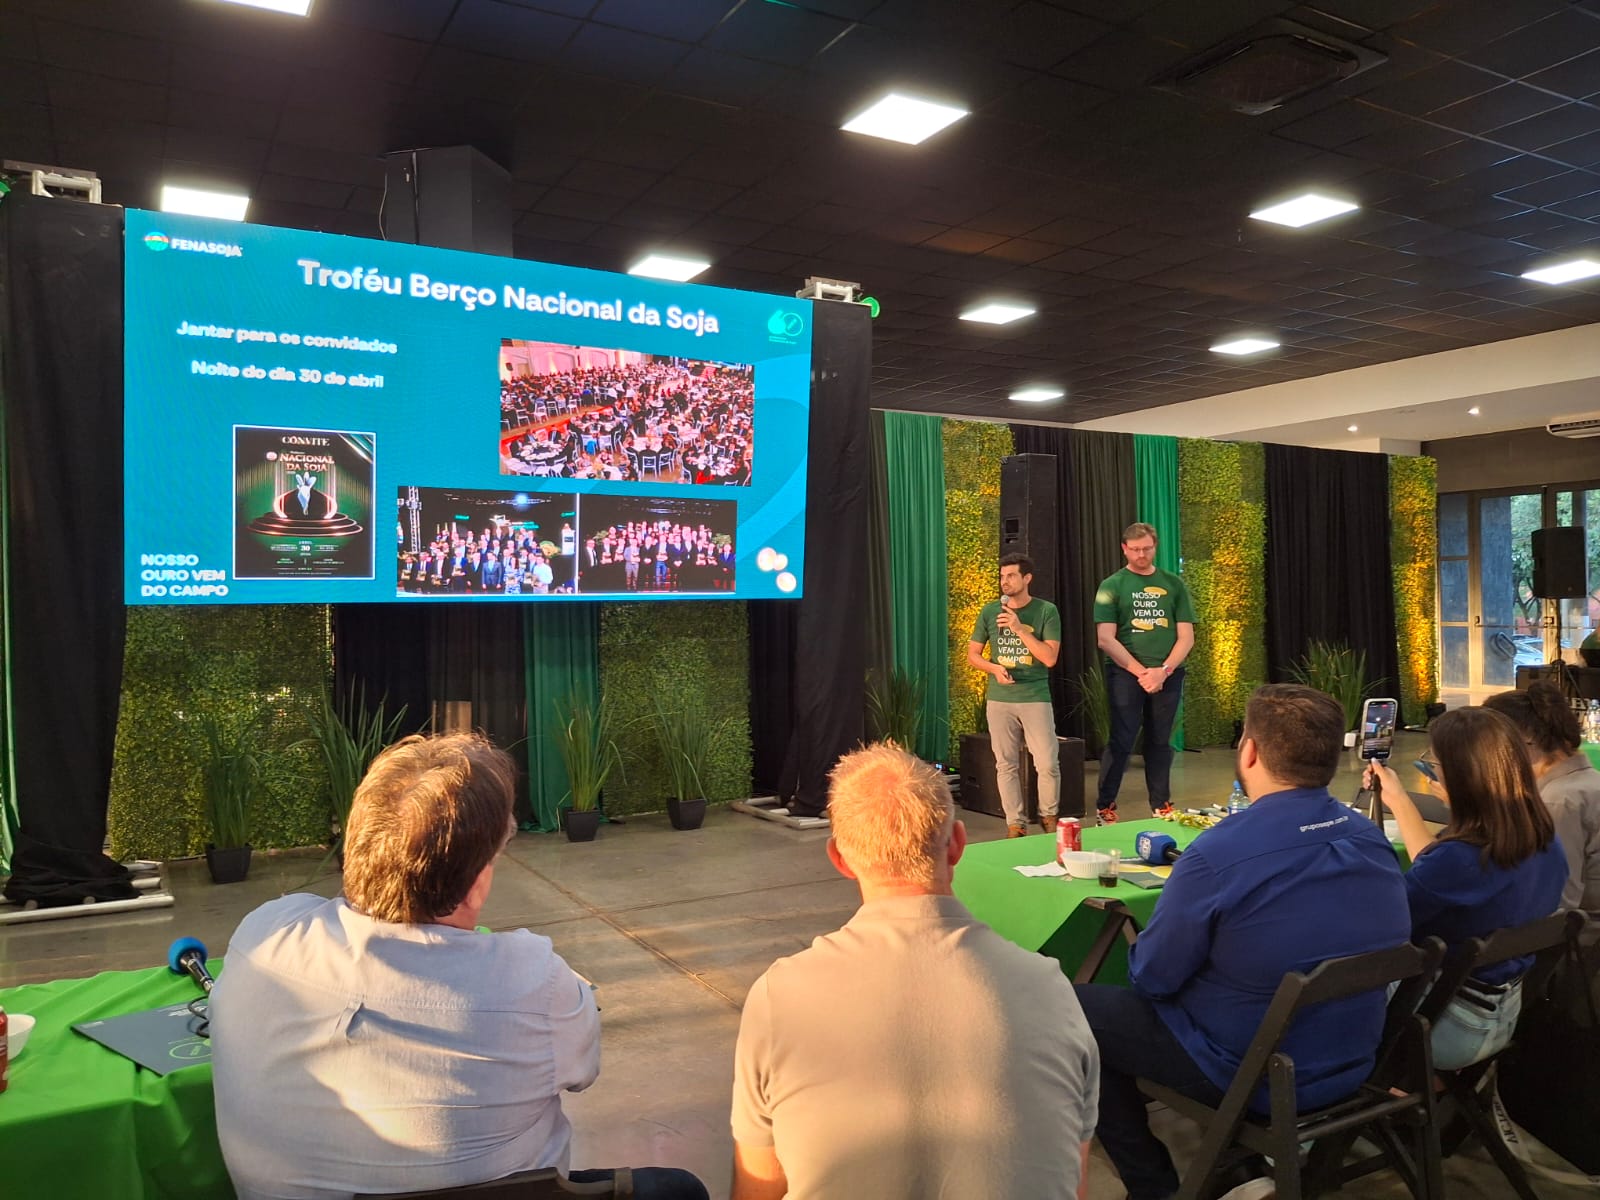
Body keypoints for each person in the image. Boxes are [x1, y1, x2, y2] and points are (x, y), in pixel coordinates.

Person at [210, 733, 706, 1200]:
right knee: (679, 1188)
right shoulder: (536, 980)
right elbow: (582, 1071)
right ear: (477, 883)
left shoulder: (264, 932)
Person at [1076, 684, 1411, 1200]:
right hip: (1356, 1058)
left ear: (1249, 751)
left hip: (1251, 1073)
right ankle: (1238, 1169)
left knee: (1076, 1010)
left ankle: (1154, 1187)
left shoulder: (1217, 854)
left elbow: (1153, 978)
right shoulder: (1371, 839)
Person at [730, 742, 1099, 1200]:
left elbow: (757, 1187)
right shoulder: (1050, 990)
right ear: (958, 844)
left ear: (839, 859)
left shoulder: (781, 996)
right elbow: (1071, 1181)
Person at [1366, 706, 1569, 1069]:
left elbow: (1383, 929)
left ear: (1458, 778)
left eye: (1434, 764)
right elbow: (1439, 871)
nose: (1430, 772)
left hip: (1449, 1024)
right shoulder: (1544, 842)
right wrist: (1398, 798)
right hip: (1504, 1010)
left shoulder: (1460, 861)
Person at [1092, 522, 1195, 822]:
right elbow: (1105, 639)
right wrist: (1142, 673)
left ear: (1155, 547)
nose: (1141, 555)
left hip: (1167, 675)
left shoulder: (1173, 584)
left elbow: (1186, 637)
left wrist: (1163, 671)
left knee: (1160, 741)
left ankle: (1161, 805)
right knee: (1121, 740)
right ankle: (1105, 806)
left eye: (1147, 549)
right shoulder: (1112, 585)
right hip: (1126, 674)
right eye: (1135, 549)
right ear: (1124, 549)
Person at [966, 552, 1062, 837]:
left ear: (1027, 578)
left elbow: (1049, 658)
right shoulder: (990, 611)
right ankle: (1015, 824)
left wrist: (1020, 629)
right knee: (1005, 764)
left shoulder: (1046, 611)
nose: (1004, 582)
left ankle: (1049, 816)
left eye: (1011, 576)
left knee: (1047, 763)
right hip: (1000, 698)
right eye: (1002, 576)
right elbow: (973, 655)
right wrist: (994, 668)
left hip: (1034, 696)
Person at [1484, 680, 1600, 911]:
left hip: (1582, 928)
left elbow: (1558, 902)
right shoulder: (1586, 782)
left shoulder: (1558, 801)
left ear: (1519, 742)